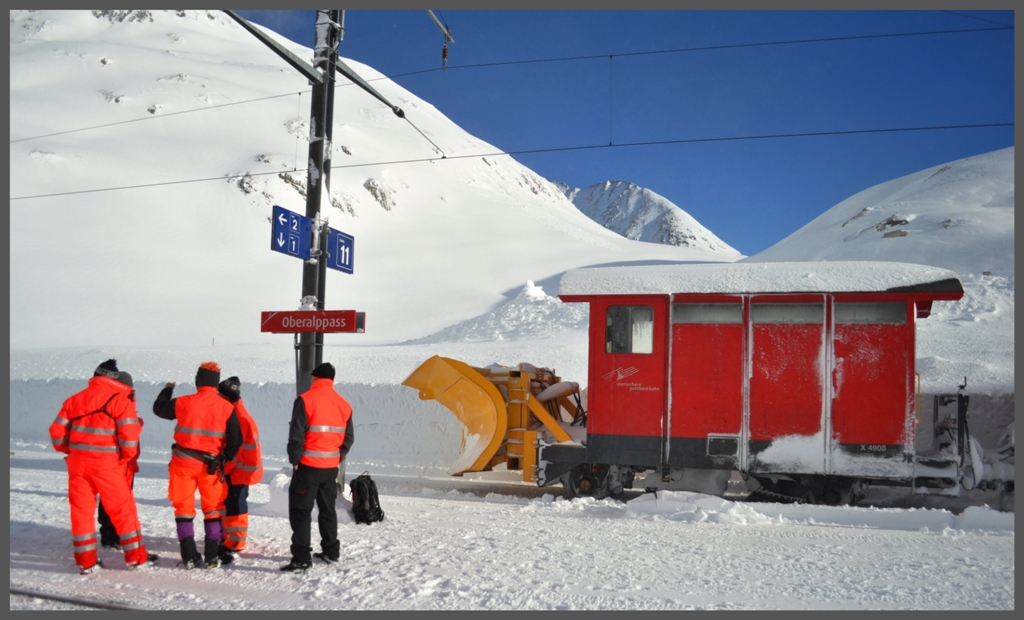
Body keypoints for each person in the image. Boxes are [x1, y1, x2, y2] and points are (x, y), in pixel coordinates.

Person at [49, 359, 158, 574]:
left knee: (81, 512)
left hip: (78, 465)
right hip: (109, 465)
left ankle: (86, 561)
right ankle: (136, 558)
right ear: (113, 378)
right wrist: (125, 457)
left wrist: (69, 451)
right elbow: (129, 436)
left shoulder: (74, 400)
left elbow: (56, 433)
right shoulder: (119, 401)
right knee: (122, 511)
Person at [153, 361, 241, 569]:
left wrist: (167, 390)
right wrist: (225, 459)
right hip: (211, 467)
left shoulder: (183, 402)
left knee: (183, 508)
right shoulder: (227, 407)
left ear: (197, 381)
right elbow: (235, 440)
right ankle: (212, 555)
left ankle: (189, 555)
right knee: (213, 510)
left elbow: (158, 409)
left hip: (182, 464)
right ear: (216, 383)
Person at [281, 362, 354, 572]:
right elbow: (348, 438)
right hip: (330, 468)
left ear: (314, 378)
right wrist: (337, 457)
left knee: (301, 512)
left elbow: (296, 433)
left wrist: (295, 460)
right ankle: (331, 551)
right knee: (327, 510)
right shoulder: (344, 404)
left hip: (307, 467)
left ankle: (302, 558)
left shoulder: (305, 400)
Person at [216, 376, 263, 558]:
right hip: (241, 470)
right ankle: (231, 537)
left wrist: (225, 469)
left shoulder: (237, 417)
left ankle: (235, 541)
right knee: (233, 503)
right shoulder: (237, 412)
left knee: (235, 505)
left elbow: (236, 451)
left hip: (239, 471)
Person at [98, 371, 142, 550]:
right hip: (120, 461)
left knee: (112, 499)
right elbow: (129, 428)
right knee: (117, 501)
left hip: (122, 461)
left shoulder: (118, 402)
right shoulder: (118, 404)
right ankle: (112, 535)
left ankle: (111, 534)